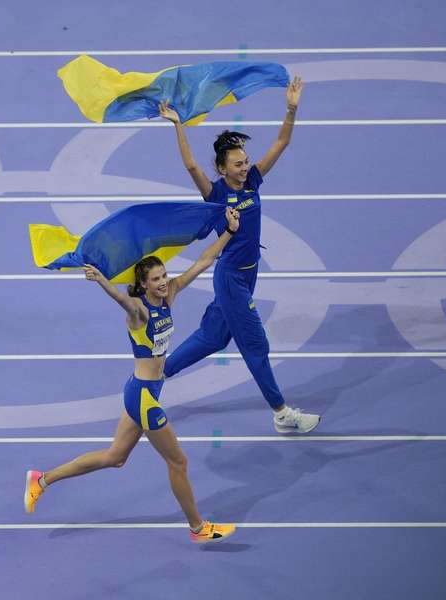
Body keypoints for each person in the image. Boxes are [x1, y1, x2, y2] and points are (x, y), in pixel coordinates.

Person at [25, 207, 242, 544]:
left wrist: (227, 232)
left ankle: (41, 479)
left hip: (142, 391)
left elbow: (202, 261)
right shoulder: (139, 312)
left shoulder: (169, 294)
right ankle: (198, 528)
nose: (162, 282)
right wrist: (102, 282)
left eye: (163, 276)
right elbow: (122, 303)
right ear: (142, 285)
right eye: (155, 280)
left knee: (115, 457)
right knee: (178, 461)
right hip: (142, 397)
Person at [157, 75, 320, 434]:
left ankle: (157, 374)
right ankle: (282, 414)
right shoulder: (215, 194)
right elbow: (190, 167)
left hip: (248, 273)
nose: (244, 167)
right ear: (222, 169)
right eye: (237, 164)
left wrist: (291, 109)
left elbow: (282, 141)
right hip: (231, 277)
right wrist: (178, 126)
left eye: (245, 161)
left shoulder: (254, 181)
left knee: (213, 337)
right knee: (255, 345)